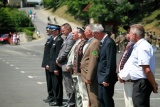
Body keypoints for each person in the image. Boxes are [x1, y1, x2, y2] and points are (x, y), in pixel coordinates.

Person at [118, 24, 158, 107]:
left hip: (141, 83)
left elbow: (146, 69)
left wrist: (154, 84)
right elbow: (131, 65)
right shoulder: (137, 46)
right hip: (138, 83)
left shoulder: (143, 47)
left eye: (130, 33)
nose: (128, 35)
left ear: (135, 35)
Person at [92, 24, 117, 107]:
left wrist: (107, 78)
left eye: (94, 33)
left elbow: (111, 63)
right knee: (102, 100)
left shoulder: (109, 43)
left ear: (98, 33)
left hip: (106, 78)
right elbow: (97, 55)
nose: (93, 35)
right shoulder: (102, 42)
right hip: (101, 77)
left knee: (107, 101)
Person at [67, 27, 88, 107]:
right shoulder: (80, 42)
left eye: (80, 32)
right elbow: (74, 55)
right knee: (77, 91)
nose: (78, 33)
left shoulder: (85, 43)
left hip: (81, 71)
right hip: (76, 71)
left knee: (82, 93)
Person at [56, 23, 75, 107]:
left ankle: (71, 103)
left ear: (68, 29)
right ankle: (69, 101)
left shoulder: (71, 38)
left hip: (67, 65)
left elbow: (66, 51)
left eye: (63, 30)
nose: (62, 32)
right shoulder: (67, 37)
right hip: (64, 65)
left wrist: (59, 59)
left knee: (69, 86)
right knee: (67, 86)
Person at [80, 24, 100, 107]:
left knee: (93, 98)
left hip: (90, 74)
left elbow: (93, 59)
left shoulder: (95, 42)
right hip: (85, 73)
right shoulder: (89, 41)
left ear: (91, 32)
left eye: (86, 30)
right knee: (89, 97)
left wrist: (89, 76)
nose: (84, 32)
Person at [118, 25, 134, 107]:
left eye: (128, 32)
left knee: (131, 103)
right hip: (126, 80)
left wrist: (123, 75)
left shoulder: (135, 46)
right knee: (128, 103)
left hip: (132, 80)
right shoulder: (130, 45)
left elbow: (131, 64)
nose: (126, 35)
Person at [48, 25, 64, 106]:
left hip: (56, 67)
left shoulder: (59, 40)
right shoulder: (54, 40)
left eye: (53, 31)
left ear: (57, 31)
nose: (51, 32)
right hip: (52, 66)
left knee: (57, 84)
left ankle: (58, 101)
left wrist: (56, 68)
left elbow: (57, 55)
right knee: (54, 84)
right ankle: (55, 99)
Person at [41, 25, 54, 103]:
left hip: (50, 64)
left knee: (51, 81)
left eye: (48, 30)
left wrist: (48, 63)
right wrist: (44, 64)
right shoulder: (49, 39)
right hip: (47, 63)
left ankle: (52, 96)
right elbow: (46, 53)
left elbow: (51, 54)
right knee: (49, 81)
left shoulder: (52, 39)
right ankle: (50, 95)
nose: (46, 31)